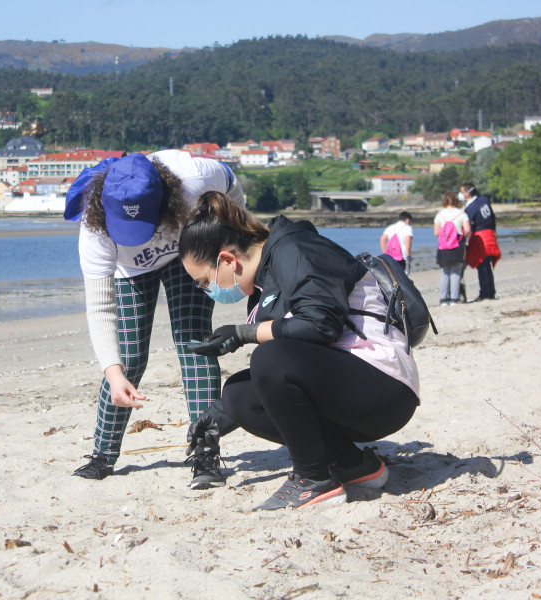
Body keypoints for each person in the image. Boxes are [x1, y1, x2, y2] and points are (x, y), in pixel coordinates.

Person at [179, 191, 420, 511]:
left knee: (269, 358)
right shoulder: (262, 283)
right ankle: (353, 466)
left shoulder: (295, 249)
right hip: (349, 383)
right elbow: (295, 365)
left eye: (203, 280)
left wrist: (243, 334)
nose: (205, 289)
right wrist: (217, 417)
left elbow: (320, 326)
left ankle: (313, 480)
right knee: (238, 394)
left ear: (227, 260)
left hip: (384, 385)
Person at [64, 150, 245, 489]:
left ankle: (205, 453)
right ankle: (103, 455)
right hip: (129, 269)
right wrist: (113, 373)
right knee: (128, 359)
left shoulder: (195, 177)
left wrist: (231, 242)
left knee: (195, 342)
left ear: (168, 197)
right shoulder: (95, 226)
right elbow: (100, 307)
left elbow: (234, 192)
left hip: (185, 250)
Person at [461, 183, 501, 302]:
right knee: (487, 266)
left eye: (462, 192)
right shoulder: (484, 200)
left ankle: (484, 293)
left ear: (468, 193)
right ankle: (491, 291)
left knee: (482, 266)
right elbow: (492, 216)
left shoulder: (470, 208)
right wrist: (494, 229)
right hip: (490, 234)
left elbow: (468, 226)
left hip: (480, 236)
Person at [434, 191, 471, 306]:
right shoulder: (461, 214)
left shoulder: (439, 215)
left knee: (445, 273)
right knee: (456, 272)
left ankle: (443, 299)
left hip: (443, 247)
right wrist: (462, 238)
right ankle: (455, 298)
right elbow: (468, 229)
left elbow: (436, 232)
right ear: (456, 200)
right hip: (457, 245)